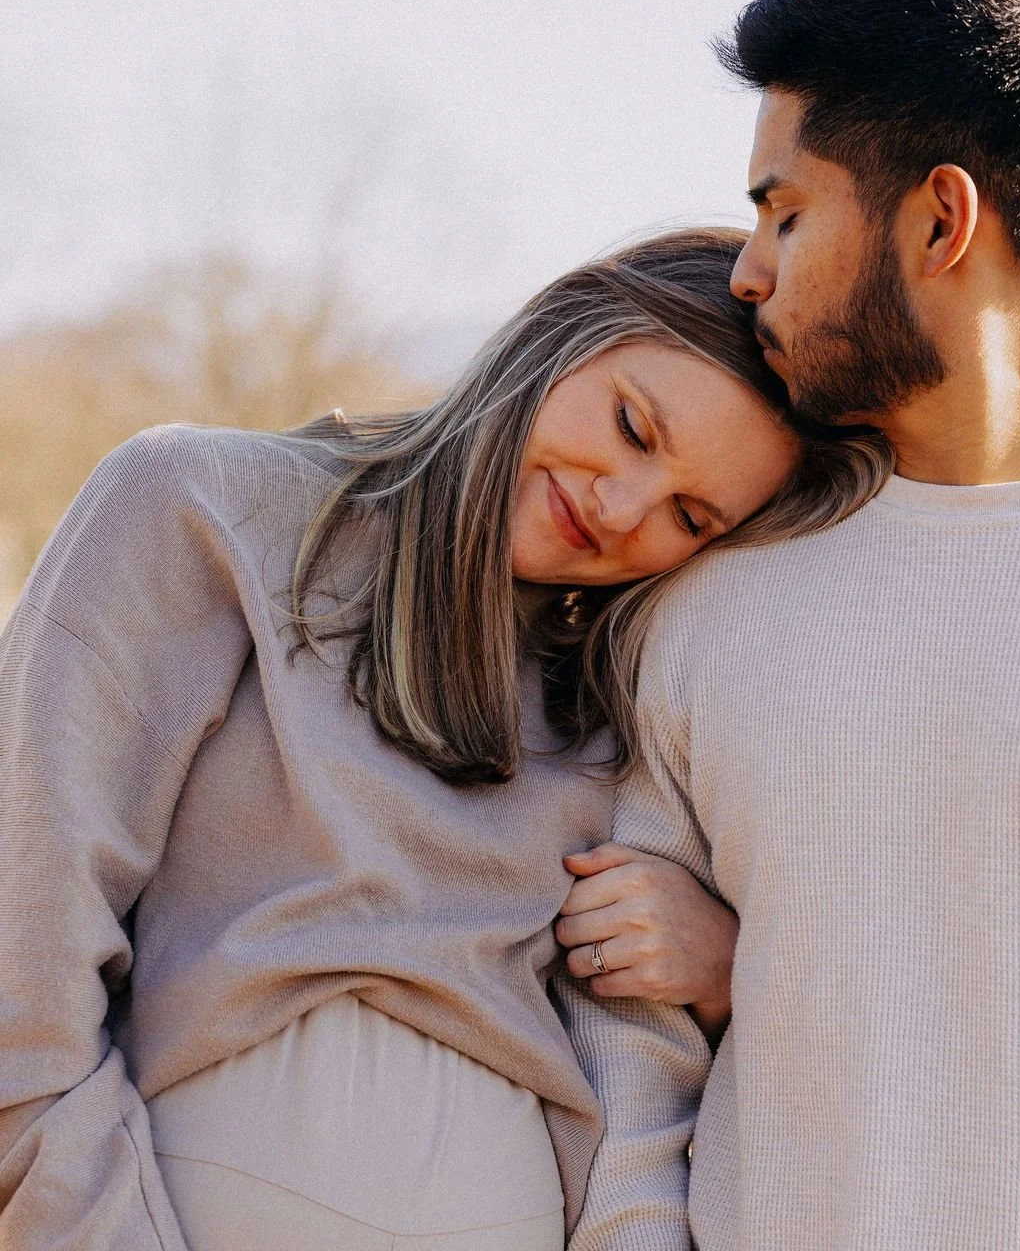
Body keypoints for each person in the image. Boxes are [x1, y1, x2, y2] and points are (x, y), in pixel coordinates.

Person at [0, 229, 887, 1251]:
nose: (619, 509)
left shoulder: (623, 693)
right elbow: (28, 945)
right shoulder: (199, 507)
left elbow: (688, 1079)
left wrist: (729, 968)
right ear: (563, 331)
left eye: (689, 516)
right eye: (632, 427)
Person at [557, 0, 1020, 1249]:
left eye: (785, 213)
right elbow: (627, 1039)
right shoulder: (703, 593)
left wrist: (749, 964)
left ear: (939, 223)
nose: (747, 271)